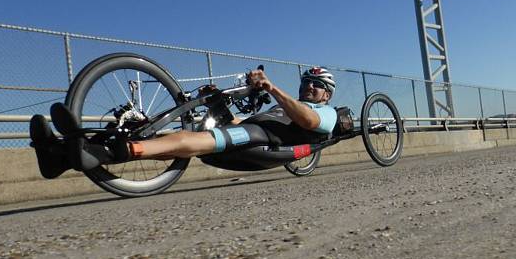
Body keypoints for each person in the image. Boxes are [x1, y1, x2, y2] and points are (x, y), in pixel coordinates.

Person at [31, 67, 338, 176]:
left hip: (263, 140)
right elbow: (242, 122)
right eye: (306, 82)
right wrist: (217, 103)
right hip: (250, 131)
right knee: (180, 139)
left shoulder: (327, 113)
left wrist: (272, 88)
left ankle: (104, 153)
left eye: (316, 84)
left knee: (193, 141)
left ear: (327, 95)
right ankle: (59, 154)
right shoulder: (281, 109)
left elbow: (309, 122)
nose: (309, 86)